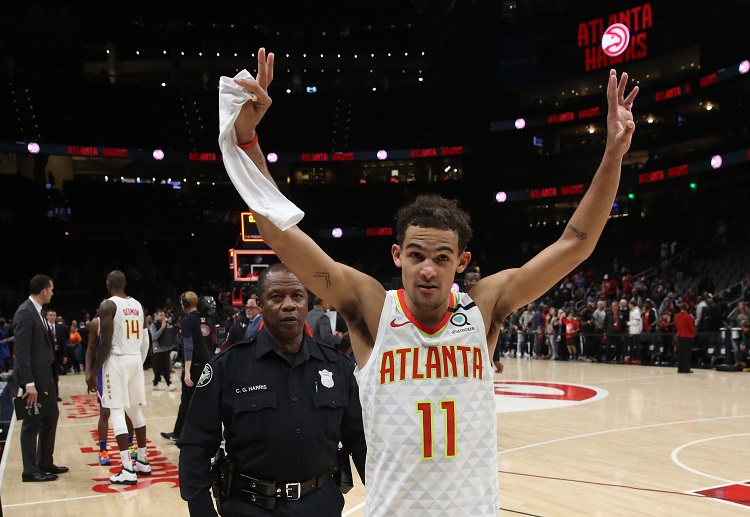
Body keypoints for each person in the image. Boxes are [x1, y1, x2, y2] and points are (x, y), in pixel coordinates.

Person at [226, 48, 637, 516]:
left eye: (442, 258)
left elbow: (576, 243)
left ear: (461, 262)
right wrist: (248, 140)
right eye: (417, 255)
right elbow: (281, 235)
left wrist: (612, 155)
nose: (428, 269)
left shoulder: (483, 308)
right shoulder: (372, 309)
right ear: (397, 255)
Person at [178, 263, 367, 516]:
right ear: (260, 304)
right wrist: (202, 510)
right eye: (277, 297)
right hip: (250, 507)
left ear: (307, 302)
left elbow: (361, 442)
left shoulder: (337, 367)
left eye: (297, 296)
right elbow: (195, 445)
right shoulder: (227, 367)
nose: (289, 305)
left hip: (321, 505)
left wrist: (383, 498)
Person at [87, 270, 151, 484]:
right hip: (135, 359)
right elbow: (146, 340)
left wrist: (94, 371)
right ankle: (142, 461)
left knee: (116, 411)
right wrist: (139, 361)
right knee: (134, 411)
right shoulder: (138, 305)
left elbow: (105, 343)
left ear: (109, 284)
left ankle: (127, 469)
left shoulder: (108, 305)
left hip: (116, 360)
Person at [12, 274, 68, 482]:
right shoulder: (25, 313)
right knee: (32, 423)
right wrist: (29, 383)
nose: (52, 293)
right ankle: (29, 471)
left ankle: (45, 461)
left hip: (46, 377)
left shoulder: (38, 311)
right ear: (44, 291)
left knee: (51, 416)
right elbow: (22, 351)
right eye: (51, 289)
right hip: (33, 380)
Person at [161, 291, 213, 444]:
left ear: (184, 304)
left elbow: (189, 347)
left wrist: (187, 372)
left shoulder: (187, 321)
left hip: (195, 366)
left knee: (187, 401)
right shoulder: (208, 318)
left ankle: (178, 433)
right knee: (208, 401)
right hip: (209, 364)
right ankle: (215, 434)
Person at [85, 314, 136, 466]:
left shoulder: (126, 319)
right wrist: (88, 373)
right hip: (104, 370)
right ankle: (103, 450)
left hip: (123, 369)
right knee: (105, 411)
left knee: (128, 409)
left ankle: (129, 444)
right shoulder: (96, 323)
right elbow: (91, 349)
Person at [149, 308, 177, 390]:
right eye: (160, 315)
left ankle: (155, 384)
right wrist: (162, 328)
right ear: (156, 316)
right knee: (164, 367)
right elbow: (154, 337)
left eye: (163, 315)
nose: (162, 317)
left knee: (159, 367)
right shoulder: (153, 325)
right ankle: (169, 384)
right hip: (158, 349)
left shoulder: (167, 324)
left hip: (166, 348)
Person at [673, 302, 696, 374]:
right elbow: (691, 326)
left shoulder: (677, 316)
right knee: (687, 353)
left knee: (680, 352)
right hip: (687, 335)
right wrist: (693, 333)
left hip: (679, 334)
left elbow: (676, 325)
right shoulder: (688, 316)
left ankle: (680, 368)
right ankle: (686, 369)